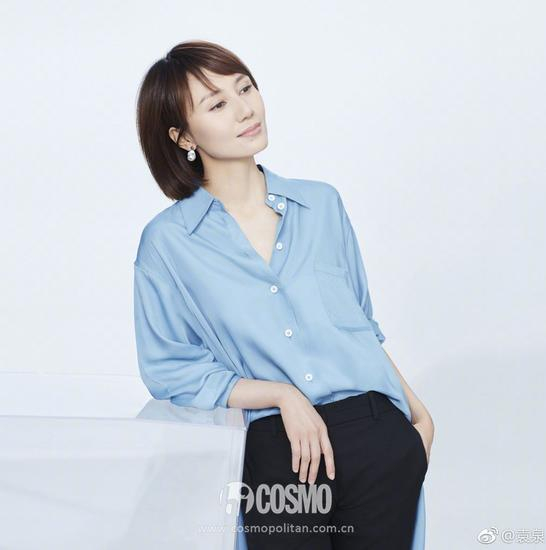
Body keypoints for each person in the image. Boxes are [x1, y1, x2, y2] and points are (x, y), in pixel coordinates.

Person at [133, 39, 434, 550]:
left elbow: (360, 326)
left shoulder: (322, 205)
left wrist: (418, 418)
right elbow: (171, 369)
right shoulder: (169, 243)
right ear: (182, 135)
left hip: (375, 433)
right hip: (278, 448)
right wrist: (279, 394)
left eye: (245, 88)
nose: (245, 109)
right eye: (217, 104)